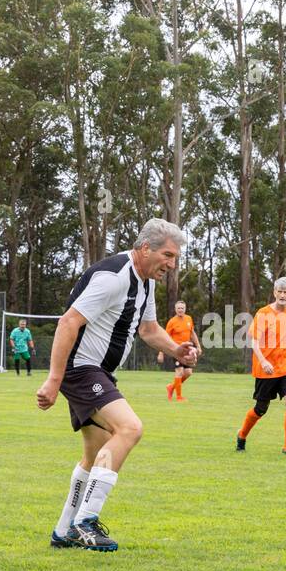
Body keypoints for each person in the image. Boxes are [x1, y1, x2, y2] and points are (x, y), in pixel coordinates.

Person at [36, 219, 197, 552]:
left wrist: (177, 350)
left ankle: (64, 530)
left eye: (175, 258)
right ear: (145, 248)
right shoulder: (114, 277)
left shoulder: (146, 282)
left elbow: (150, 330)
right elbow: (68, 321)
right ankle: (86, 522)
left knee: (95, 453)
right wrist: (54, 379)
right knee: (130, 428)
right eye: (167, 255)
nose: (171, 264)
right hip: (82, 370)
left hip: (98, 373)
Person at [236, 277, 286, 455]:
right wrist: (264, 361)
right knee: (260, 409)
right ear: (274, 293)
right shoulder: (263, 313)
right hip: (266, 369)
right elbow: (254, 342)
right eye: (279, 291)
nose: (282, 295)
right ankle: (242, 435)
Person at [159, 300, 201, 400]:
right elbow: (165, 337)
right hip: (176, 350)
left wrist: (198, 346)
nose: (180, 310)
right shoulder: (172, 322)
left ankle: (171, 387)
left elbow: (192, 333)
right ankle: (179, 397)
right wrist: (161, 353)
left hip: (187, 350)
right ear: (175, 309)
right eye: (178, 308)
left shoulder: (189, 319)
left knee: (188, 373)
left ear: (185, 309)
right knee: (179, 371)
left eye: (182, 308)